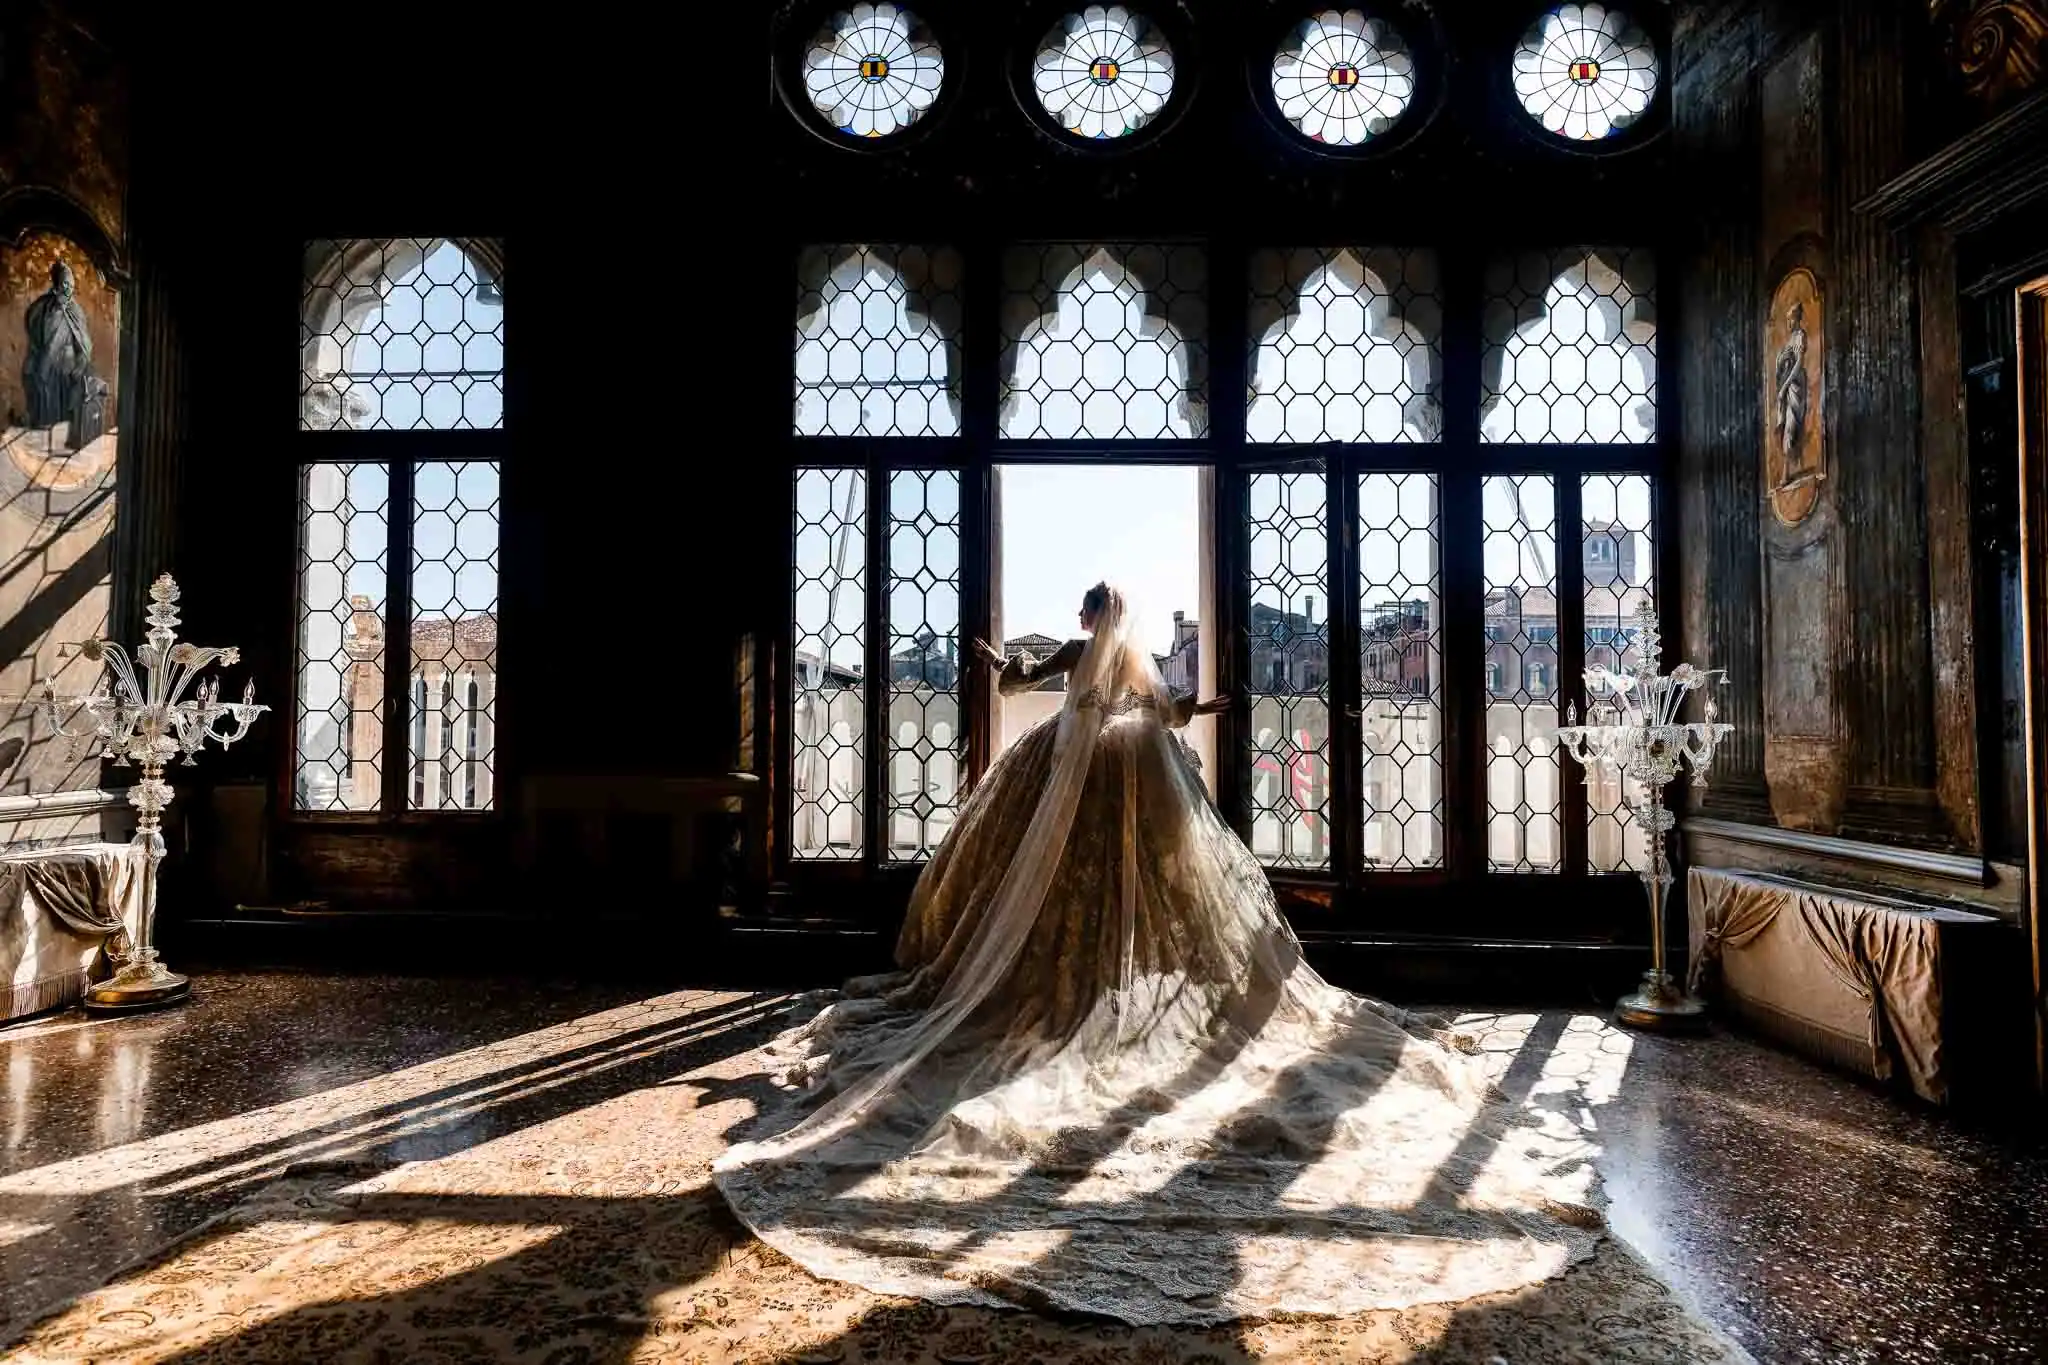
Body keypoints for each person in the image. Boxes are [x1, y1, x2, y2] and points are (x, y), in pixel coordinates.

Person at [714, 582, 1601, 1325]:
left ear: (1105, 616)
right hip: (1088, 767)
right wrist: (1002, 667)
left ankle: (1095, 983)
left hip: (1100, 771)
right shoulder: (1092, 656)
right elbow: (1072, 687)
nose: (1094, 625)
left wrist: (1182, 705)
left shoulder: (1107, 657)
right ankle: (1075, 980)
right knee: (1073, 886)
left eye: (1095, 614)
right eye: (1094, 617)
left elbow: (1139, 702)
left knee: (1118, 884)